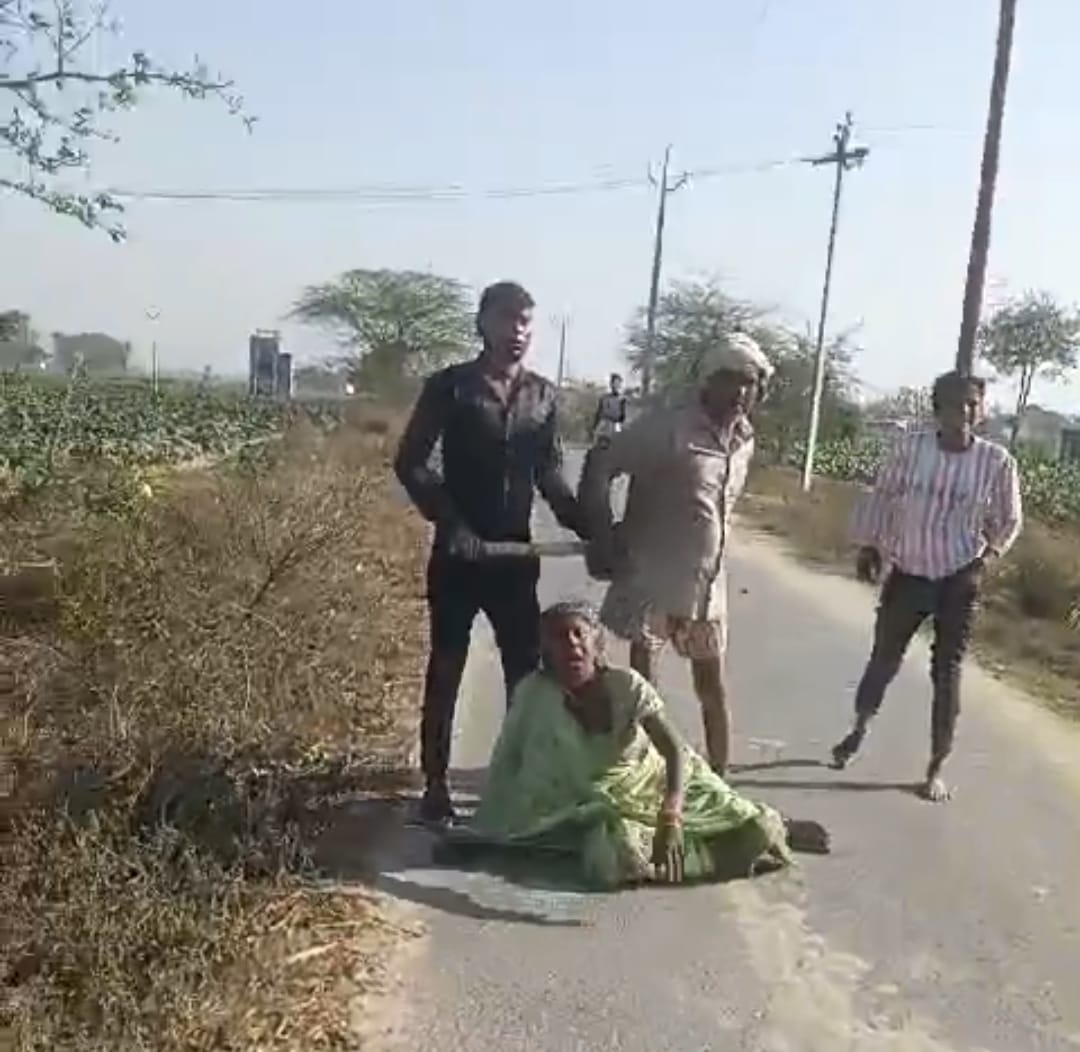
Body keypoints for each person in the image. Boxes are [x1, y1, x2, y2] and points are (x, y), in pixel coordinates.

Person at [458, 601, 828, 889]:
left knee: (758, 830)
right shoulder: (535, 695)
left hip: (658, 784)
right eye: (559, 637)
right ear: (546, 651)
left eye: (578, 634)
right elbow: (509, 759)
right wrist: (489, 826)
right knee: (614, 854)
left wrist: (671, 815)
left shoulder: (627, 686)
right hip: (585, 803)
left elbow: (674, 751)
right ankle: (695, 854)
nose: (571, 644)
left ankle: (770, 829)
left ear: (596, 645)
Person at [394, 281, 590, 824]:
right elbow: (411, 463)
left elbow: (550, 474)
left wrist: (589, 526)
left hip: (514, 558)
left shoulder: (543, 396)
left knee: (525, 678)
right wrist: (450, 522)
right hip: (458, 557)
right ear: (482, 324)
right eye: (507, 320)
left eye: (525, 322)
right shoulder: (450, 387)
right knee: (446, 668)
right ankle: (435, 784)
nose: (517, 332)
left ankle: (518, 781)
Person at [577, 333, 774, 776]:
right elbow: (601, 464)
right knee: (645, 689)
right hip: (653, 578)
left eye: (751, 383)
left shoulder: (744, 440)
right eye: (731, 379)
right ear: (709, 380)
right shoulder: (668, 428)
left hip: (705, 585)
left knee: (712, 687)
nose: (741, 392)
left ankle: (720, 779)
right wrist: (602, 535)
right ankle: (641, 773)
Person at [831, 370, 1023, 802]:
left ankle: (936, 767)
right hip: (909, 569)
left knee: (947, 673)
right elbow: (882, 495)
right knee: (884, 657)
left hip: (958, 577)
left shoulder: (996, 462)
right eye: (956, 404)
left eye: (973, 404)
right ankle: (858, 728)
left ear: (982, 410)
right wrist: (869, 546)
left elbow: (1009, 519)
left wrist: (985, 560)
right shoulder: (912, 449)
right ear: (939, 409)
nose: (965, 412)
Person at [591, 372, 629, 443]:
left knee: (617, 441)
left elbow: (623, 416)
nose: (617, 385)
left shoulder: (622, 399)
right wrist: (594, 426)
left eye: (619, 383)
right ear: (611, 384)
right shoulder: (604, 397)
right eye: (615, 383)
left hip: (616, 424)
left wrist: (621, 427)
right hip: (605, 423)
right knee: (601, 441)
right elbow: (598, 412)